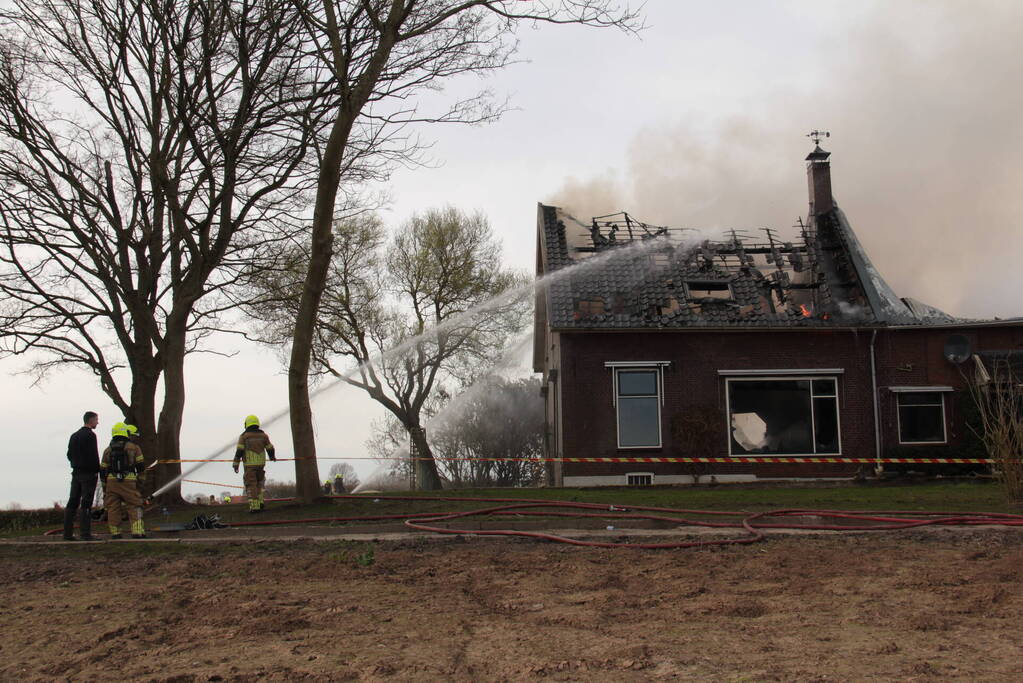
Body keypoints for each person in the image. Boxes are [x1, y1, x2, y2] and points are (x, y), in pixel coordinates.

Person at [101, 422, 147, 539]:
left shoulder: (107, 450)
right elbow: (141, 467)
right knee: (134, 505)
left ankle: (115, 533)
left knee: (113, 508)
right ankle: (137, 532)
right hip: (129, 482)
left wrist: (105, 487)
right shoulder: (134, 447)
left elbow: (102, 470)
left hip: (111, 482)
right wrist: (140, 483)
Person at [63, 411, 100, 541]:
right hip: (88, 474)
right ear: (90, 421)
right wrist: (97, 470)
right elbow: (93, 455)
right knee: (86, 503)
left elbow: (68, 454)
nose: (97, 422)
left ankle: (67, 534)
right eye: (96, 420)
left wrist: (75, 463)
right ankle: (85, 533)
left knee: (72, 502)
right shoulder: (90, 436)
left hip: (76, 473)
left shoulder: (74, 436)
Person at [233, 415, 276, 513]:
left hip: (249, 465)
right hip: (261, 464)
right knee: (259, 483)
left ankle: (254, 507)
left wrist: (235, 464)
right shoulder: (264, 436)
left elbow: (239, 451)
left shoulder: (244, 436)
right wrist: (272, 457)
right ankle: (260, 503)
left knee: (251, 484)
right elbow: (270, 448)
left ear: (246, 424)